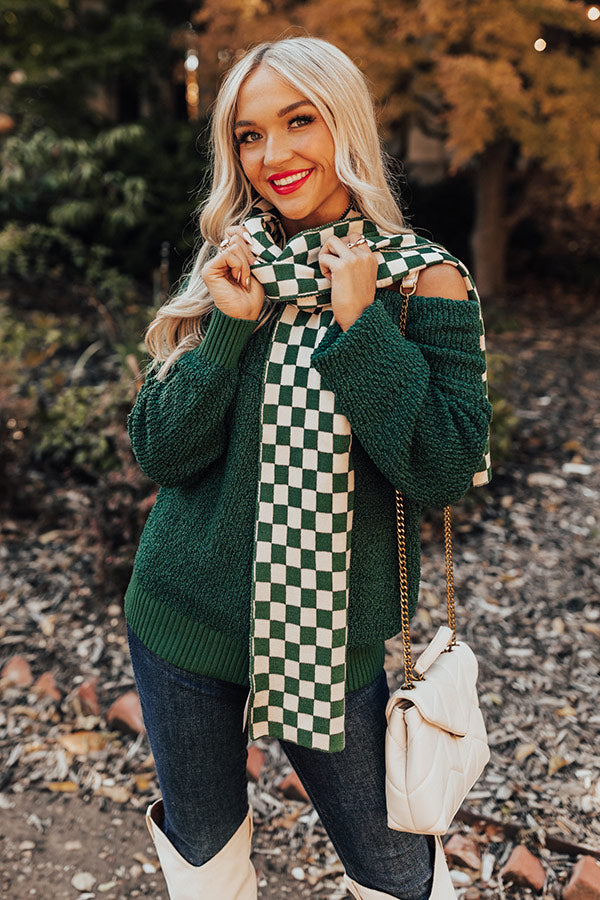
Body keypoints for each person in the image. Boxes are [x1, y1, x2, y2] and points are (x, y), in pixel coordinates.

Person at [123, 35, 492, 900]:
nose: (273, 155)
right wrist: (228, 326)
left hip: (330, 637)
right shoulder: (235, 264)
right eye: (250, 135)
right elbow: (161, 452)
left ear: (345, 124)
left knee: (394, 872)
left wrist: (362, 327)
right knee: (205, 859)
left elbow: (446, 467)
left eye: (299, 121)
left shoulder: (423, 281)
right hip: (184, 616)